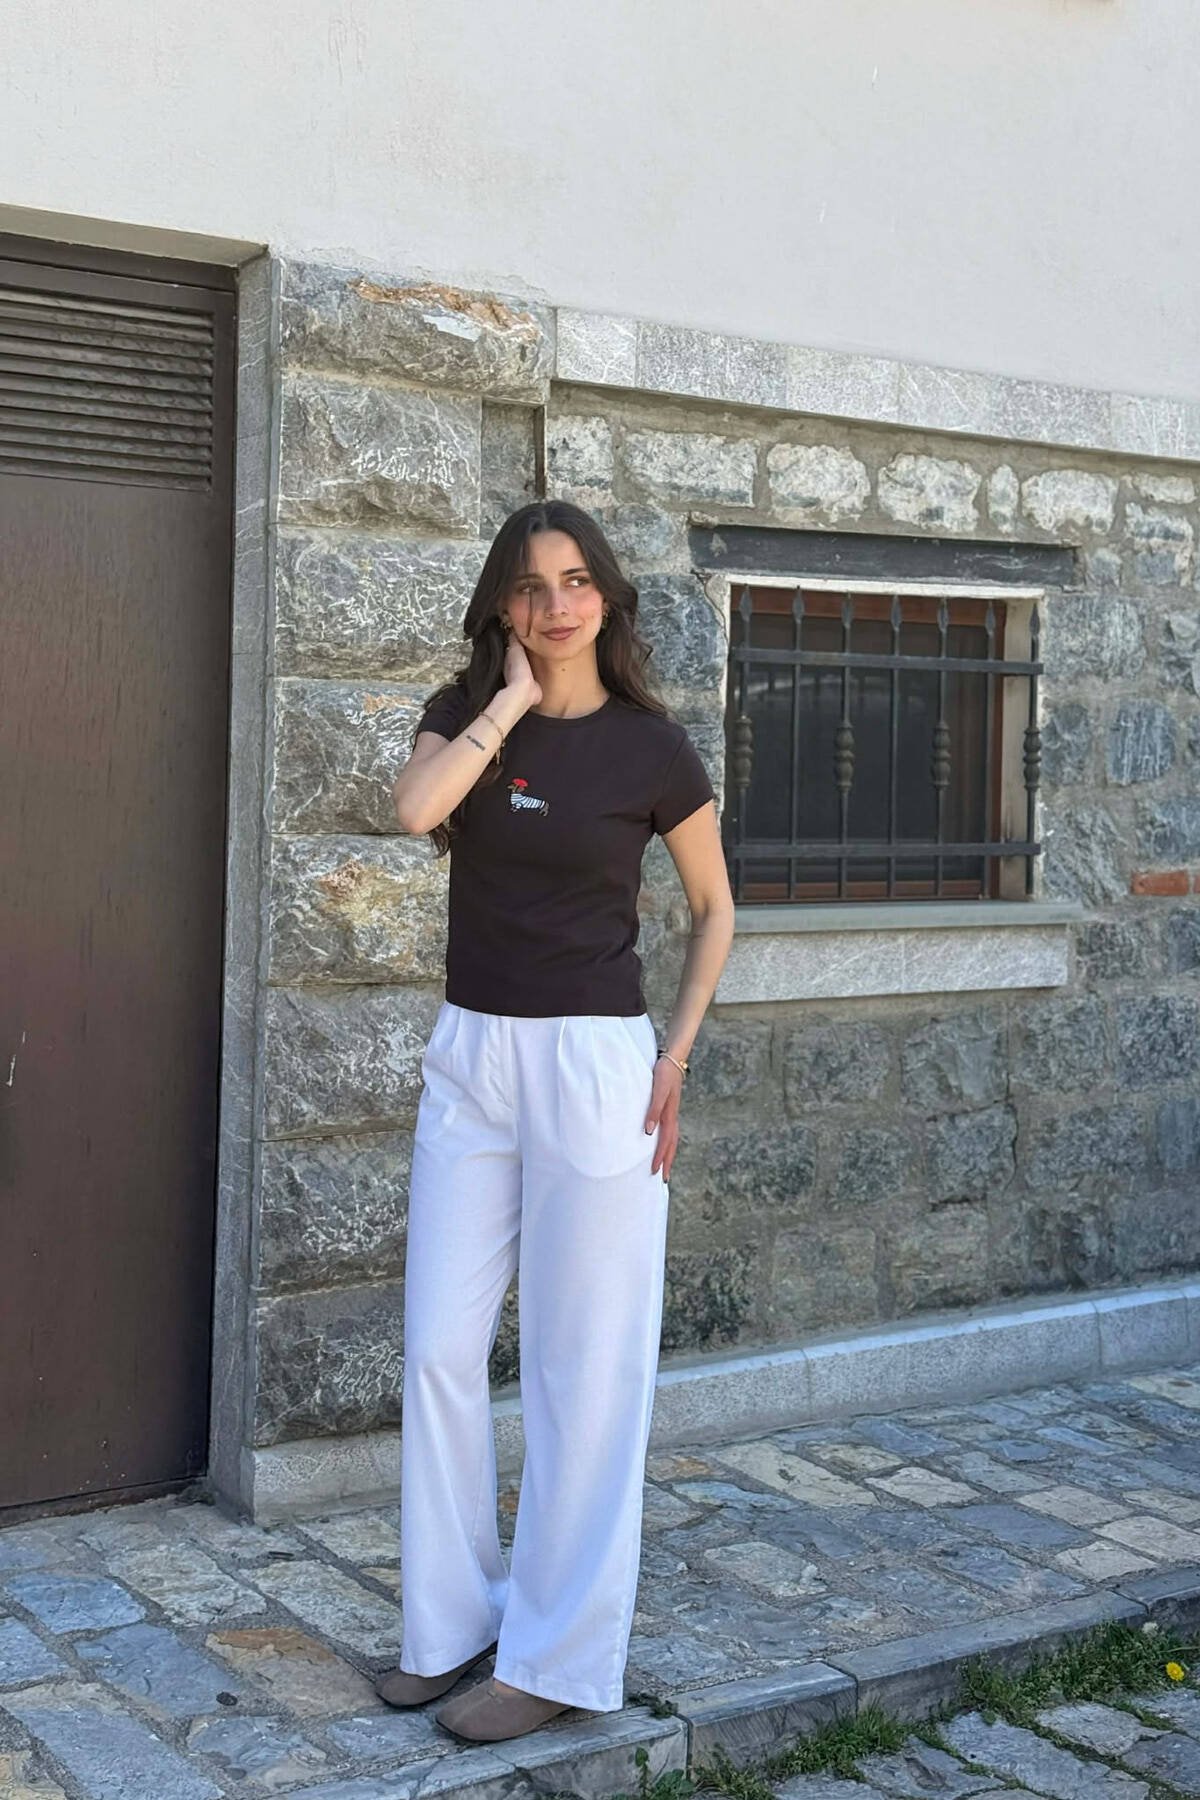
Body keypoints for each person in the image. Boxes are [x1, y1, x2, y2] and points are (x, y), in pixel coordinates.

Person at [376, 499, 735, 1743]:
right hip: (472, 1055)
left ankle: (558, 1660)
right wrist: (509, 704)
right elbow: (415, 810)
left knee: (586, 1369)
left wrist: (673, 1056)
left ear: (607, 595)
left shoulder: (652, 749)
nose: (557, 604)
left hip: (594, 1063)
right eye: (532, 587)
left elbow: (716, 910)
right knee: (439, 1346)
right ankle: (450, 1627)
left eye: (577, 581)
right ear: (503, 605)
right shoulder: (466, 711)